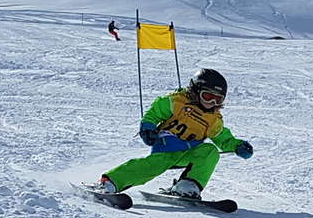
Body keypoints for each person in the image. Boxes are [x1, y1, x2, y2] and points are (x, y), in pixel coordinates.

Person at [95, 68, 253, 200]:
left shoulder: (213, 119)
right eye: (208, 96)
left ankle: (187, 186)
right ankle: (109, 182)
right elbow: (154, 113)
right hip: (167, 149)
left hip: (189, 153)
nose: (211, 103)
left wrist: (237, 146)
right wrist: (148, 128)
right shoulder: (176, 102)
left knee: (210, 151)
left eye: (217, 100)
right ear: (196, 90)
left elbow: (223, 139)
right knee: (151, 167)